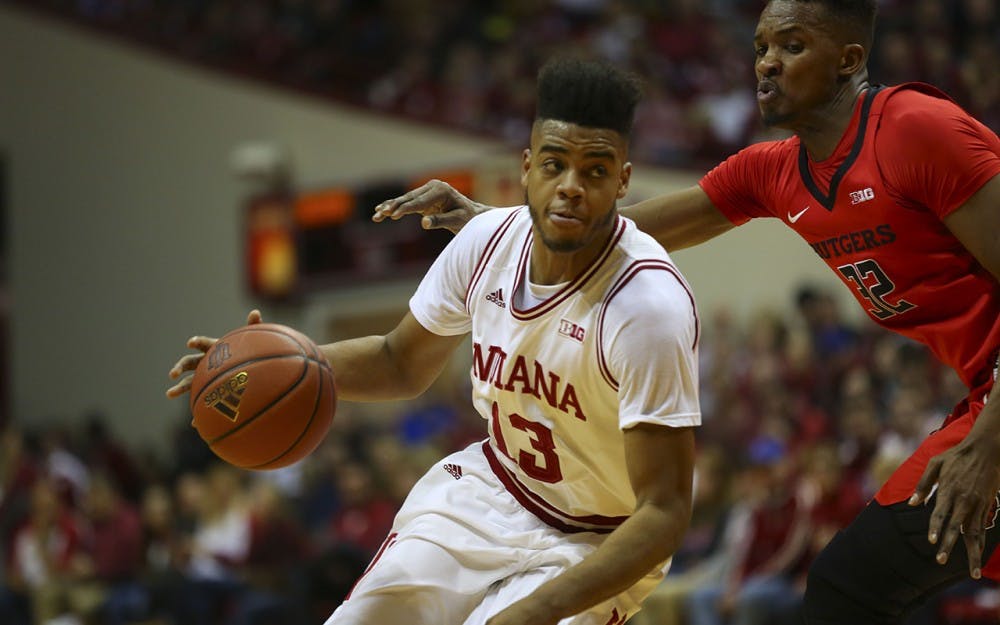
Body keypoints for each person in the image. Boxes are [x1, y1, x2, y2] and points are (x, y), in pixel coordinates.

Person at [369, 1, 1000, 622]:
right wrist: (494, 222)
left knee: (850, 590)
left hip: (991, 412)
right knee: (853, 588)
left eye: (791, 46)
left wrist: (987, 443)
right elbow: (614, 231)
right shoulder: (774, 172)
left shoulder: (917, 129)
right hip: (981, 398)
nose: (767, 64)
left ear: (850, 59)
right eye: (760, 49)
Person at [167, 57, 701, 625]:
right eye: (554, 164)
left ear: (622, 179)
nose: (571, 187)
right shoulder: (484, 243)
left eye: (595, 171)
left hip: (597, 540)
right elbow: (399, 362)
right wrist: (275, 368)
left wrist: (532, 610)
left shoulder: (649, 309)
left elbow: (663, 513)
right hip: (490, 493)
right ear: (527, 167)